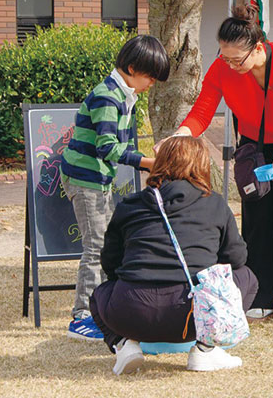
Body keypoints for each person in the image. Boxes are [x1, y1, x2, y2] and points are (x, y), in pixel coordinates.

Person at [169, 4, 273, 324]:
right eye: (223, 56)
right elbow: (202, 112)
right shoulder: (223, 68)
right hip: (255, 148)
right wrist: (179, 135)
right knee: (257, 221)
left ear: (257, 48)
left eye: (235, 59)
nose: (228, 64)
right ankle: (261, 296)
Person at [91, 135, 258, 374]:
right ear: (201, 166)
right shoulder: (215, 204)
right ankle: (205, 350)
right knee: (247, 277)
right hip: (194, 314)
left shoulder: (129, 205)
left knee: (99, 295)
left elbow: (109, 262)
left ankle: (123, 344)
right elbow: (237, 259)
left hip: (130, 311)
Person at [60, 34, 169, 341]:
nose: (152, 84)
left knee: (107, 244)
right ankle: (82, 318)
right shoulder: (107, 97)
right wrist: (148, 163)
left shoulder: (122, 94)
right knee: (96, 248)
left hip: (98, 178)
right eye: (150, 76)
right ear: (132, 68)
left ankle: (105, 308)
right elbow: (108, 148)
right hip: (85, 180)